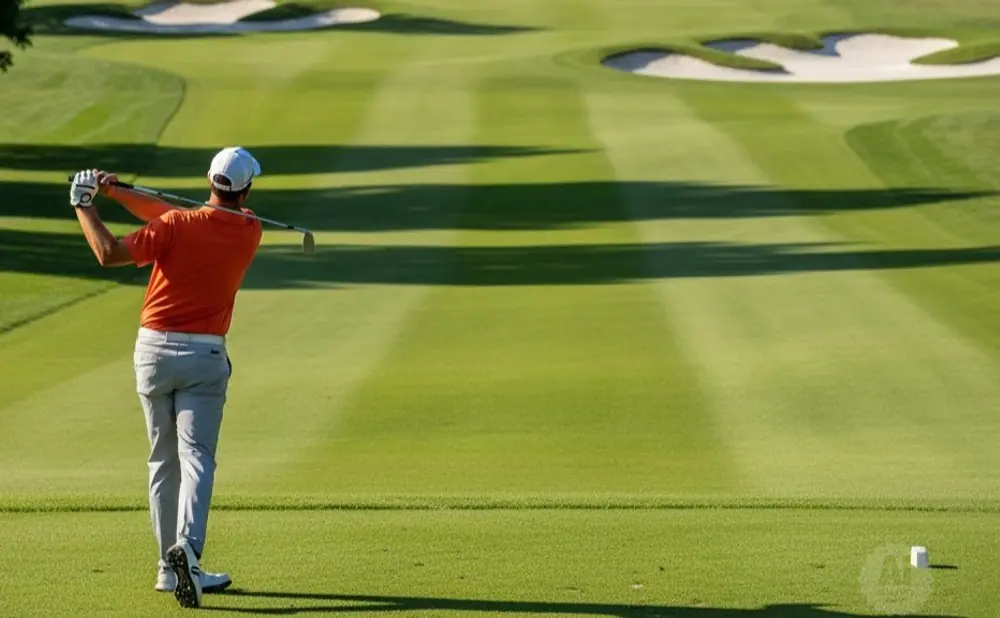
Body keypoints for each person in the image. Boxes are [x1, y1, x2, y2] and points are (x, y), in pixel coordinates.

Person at [69, 147, 264, 609]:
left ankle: (167, 567)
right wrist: (120, 192)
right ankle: (189, 554)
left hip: (153, 352)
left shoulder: (176, 227)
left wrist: (85, 203)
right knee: (197, 458)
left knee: (162, 460)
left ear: (209, 180)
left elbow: (109, 253)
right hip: (204, 356)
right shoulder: (250, 229)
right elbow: (175, 214)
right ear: (245, 191)